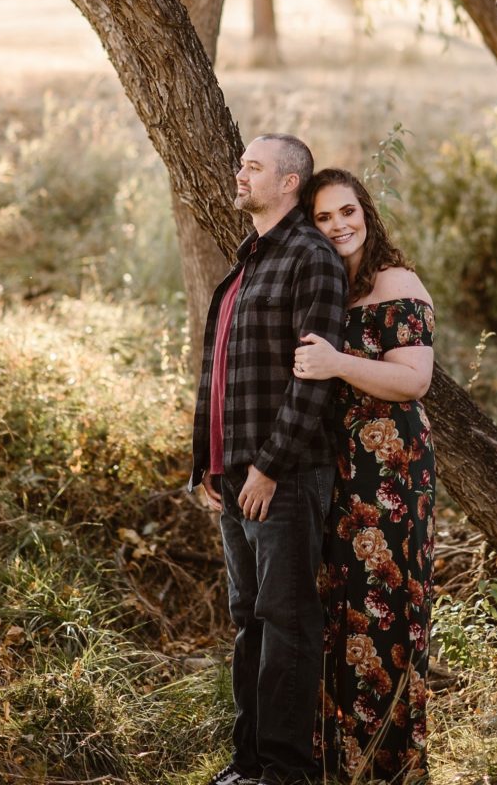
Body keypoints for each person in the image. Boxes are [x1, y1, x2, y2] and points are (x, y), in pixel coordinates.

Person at [189, 135, 348, 785]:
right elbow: (219, 371)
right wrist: (205, 462)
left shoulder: (311, 260)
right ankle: (249, 763)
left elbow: (314, 380)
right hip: (233, 477)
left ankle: (286, 771)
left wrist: (269, 466)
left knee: (284, 616)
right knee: (248, 615)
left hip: (281, 476)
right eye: (241, 163)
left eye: (252, 166)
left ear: (289, 183)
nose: (239, 173)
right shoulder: (247, 262)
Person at [294, 168, 435, 783]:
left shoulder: (396, 282)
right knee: (340, 607)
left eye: (347, 211)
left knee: (385, 608)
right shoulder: (331, 287)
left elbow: (414, 380)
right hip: (339, 466)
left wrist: (335, 362)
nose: (338, 226)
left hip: (393, 468)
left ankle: (388, 761)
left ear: (366, 213)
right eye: (323, 218)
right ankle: (336, 760)